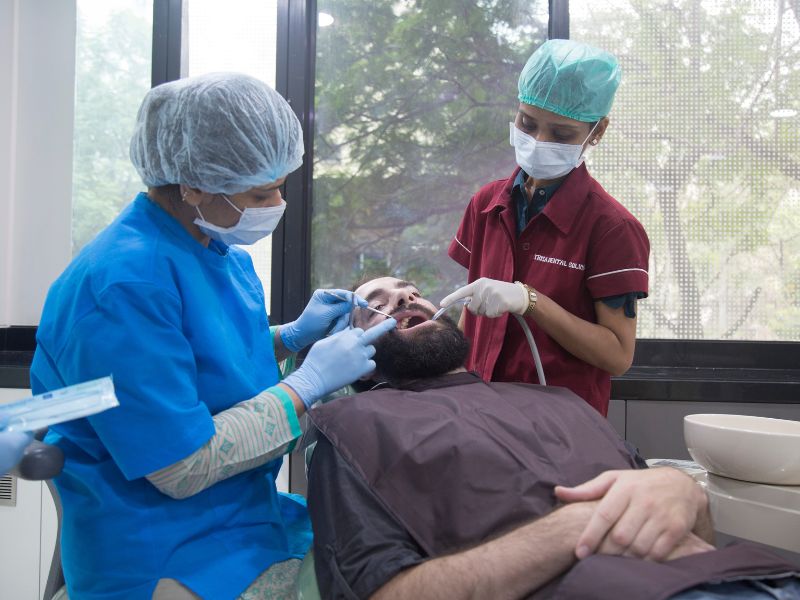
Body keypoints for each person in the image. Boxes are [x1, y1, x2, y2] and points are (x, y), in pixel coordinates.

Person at [29, 73, 395, 600]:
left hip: (240, 515)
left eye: (280, 186)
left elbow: (196, 365)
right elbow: (180, 465)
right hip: (155, 544)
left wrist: (289, 339)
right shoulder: (123, 285)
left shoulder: (216, 250)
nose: (277, 203)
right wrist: (307, 384)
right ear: (193, 184)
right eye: (260, 192)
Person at [306, 277, 799, 600]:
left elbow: (691, 536)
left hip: (750, 580)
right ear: (352, 353)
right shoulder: (352, 427)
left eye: (410, 290)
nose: (404, 300)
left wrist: (686, 495)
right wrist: (576, 528)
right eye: (374, 308)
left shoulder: (558, 400)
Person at [441, 39, 650, 417]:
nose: (538, 141)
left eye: (561, 134)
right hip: (478, 415)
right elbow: (471, 315)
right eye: (528, 123)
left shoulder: (612, 228)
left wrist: (531, 301)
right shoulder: (487, 204)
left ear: (597, 131)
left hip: (562, 431)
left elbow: (617, 355)